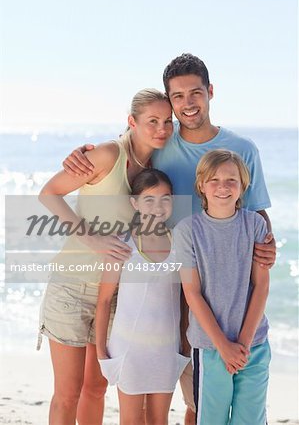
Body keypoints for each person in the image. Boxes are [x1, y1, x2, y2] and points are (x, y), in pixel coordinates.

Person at [62, 53, 276, 424]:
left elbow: (256, 213)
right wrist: (84, 155)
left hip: (223, 288)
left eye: (196, 92)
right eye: (177, 96)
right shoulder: (162, 142)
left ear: (210, 92)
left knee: (196, 396)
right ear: (170, 101)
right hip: (170, 280)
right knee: (164, 383)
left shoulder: (243, 149)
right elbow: (128, 148)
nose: (188, 103)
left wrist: (268, 243)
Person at [38, 89, 173, 425]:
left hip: (113, 296)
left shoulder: (156, 164)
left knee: (96, 388)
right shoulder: (104, 156)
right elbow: (49, 194)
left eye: (167, 121)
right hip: (71, 288)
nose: (161, 128)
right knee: (68, 393)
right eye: (152, 121)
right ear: (132, 122)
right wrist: (92, 238)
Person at [175, 149, 271, 425]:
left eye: (232, 180)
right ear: (201, 185)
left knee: (250, 420)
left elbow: (261, 286)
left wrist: (242, 344)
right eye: (214, 180)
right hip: (209, 347)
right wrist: (224, 346)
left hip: (254, 344)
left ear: (243, 186)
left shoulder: (255, 224)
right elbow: (192, 293)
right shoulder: (187, 230)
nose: (223, 187)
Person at [96, 168, 190, 425]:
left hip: (166, 350)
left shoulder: (180, 242)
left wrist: (183, 343)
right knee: (131, 420)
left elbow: (183, 298)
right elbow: (104, 300)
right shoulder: (123, 243)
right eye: (149, 199)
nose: (158, 207)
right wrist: (101, 350)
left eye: (165, 198)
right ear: (135, 203)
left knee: (159, 420)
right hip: (129, 350)